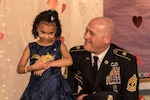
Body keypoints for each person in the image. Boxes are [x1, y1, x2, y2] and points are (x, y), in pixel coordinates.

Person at [66, 17, 139, 100]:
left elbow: (130, 97)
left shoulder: (126, 61)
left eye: (91, 33)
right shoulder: (76, 55)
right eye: (86, 31)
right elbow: (68, 88)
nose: (85, 36)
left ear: (107, 39)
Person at [17, 9, 75, 100]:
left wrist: (48, 64)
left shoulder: (59, 45)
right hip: (36, 92)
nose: (47, 37)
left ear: (56, 30)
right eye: (43, 32)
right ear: (36, 28)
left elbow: (69, 60)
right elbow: (19, 69)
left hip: (57, 90)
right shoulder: (31, 47)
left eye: (51, 33)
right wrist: (33, 67)